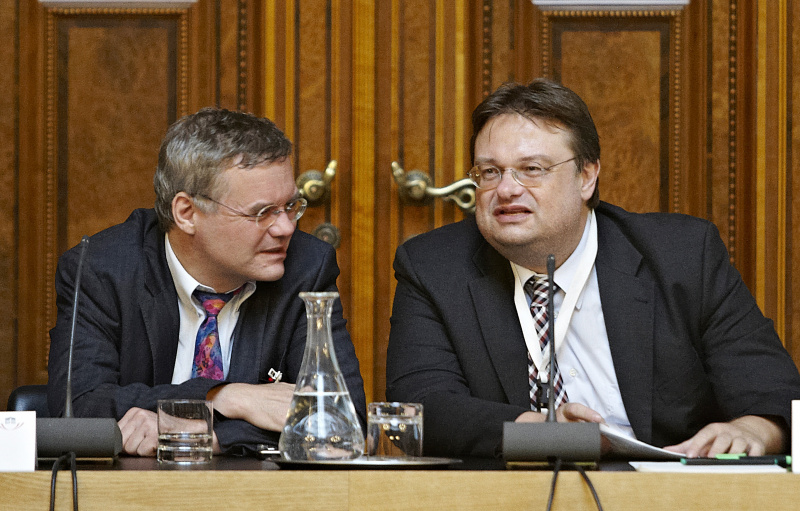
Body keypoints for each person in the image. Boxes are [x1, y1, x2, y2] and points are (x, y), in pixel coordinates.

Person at [386, 78, 800, 462]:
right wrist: (543, 432)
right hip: (517, 501)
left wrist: (754, 430)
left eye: (532, 169)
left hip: (670, 496)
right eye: (490, 172)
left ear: (586, 176)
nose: (507, 189)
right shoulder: (434, 268)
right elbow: (421, 410)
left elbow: (774, 392)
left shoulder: (684, 256)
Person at [47, 107, 367, 459]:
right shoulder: (103, 269)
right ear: (187, 213)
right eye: (262, 213)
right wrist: (225, 396)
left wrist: (209, 435)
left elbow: (344, 420)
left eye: (290, 206)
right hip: (131, 491)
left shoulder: (306, 267)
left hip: (258, 491)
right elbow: (77, 408)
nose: (286, 227)